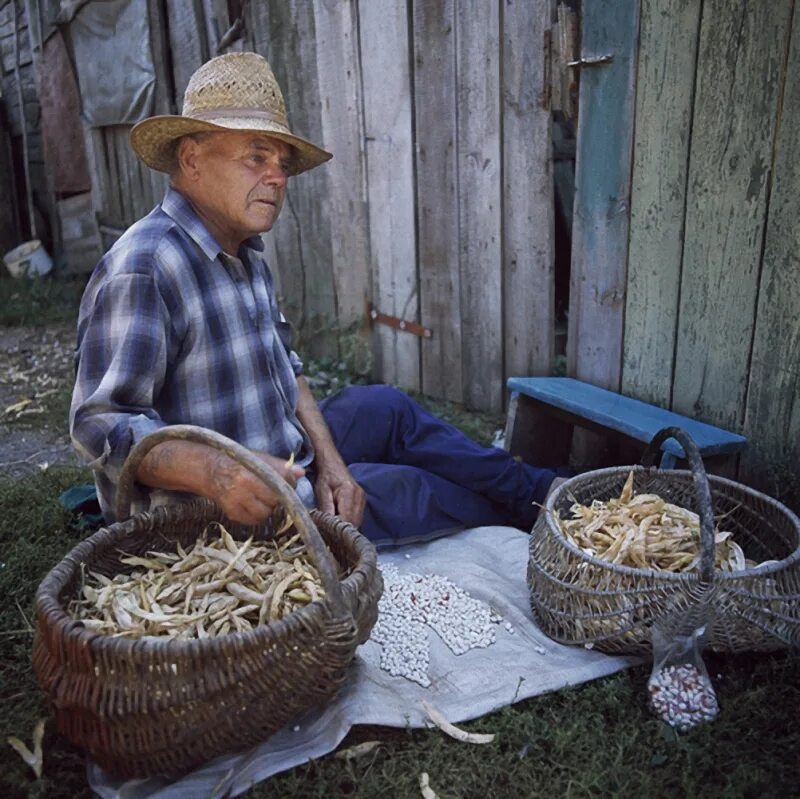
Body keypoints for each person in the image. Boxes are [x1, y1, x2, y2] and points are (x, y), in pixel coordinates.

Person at [70, 52, 564, 546]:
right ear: (192, 159)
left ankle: (543, 489)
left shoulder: (243, 251)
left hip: (285, 450)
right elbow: (99, 425)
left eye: (282, 164)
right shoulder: (146, 265)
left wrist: (331, 462)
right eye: (256, 157)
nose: (278, 178)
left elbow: (288, 366)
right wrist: (219, 471)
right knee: (417, 490)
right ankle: (544, 515)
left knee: (386, 408)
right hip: (232, 515)